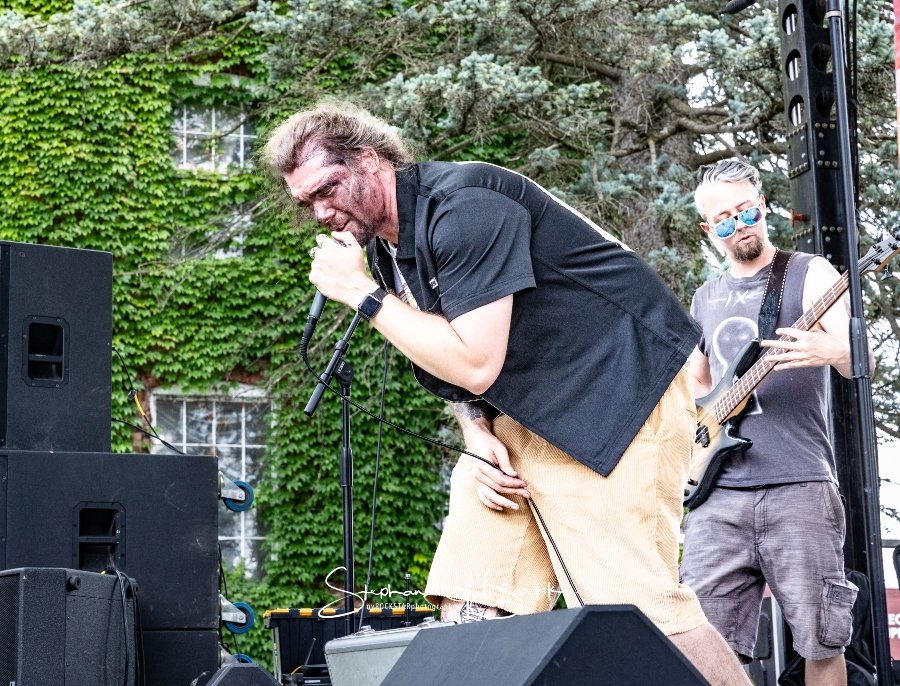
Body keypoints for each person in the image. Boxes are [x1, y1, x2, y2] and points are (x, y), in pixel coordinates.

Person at [262, 100, 750, 685]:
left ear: (369, 159)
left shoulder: (465, 207)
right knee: (472, 603)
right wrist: (473, 428)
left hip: (617, 397)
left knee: (644, 614)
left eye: (327, 189)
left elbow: (474, 361)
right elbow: (445, 357)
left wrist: (363, 297)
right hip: (523, 418)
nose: (321, 212)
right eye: (307, 203)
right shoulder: (388, 251)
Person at [681, 158, 865, 686]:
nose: (739, 226)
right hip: (717, 495)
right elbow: (696, 386)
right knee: (700, 643)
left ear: (762, 208)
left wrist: (829, 349)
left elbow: (860, 359)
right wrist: (694, 435)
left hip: (799, 486)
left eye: (746, 212)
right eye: (724, 220)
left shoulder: (811, 274)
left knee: (821, 641)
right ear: (709, 230)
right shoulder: (705, 297)